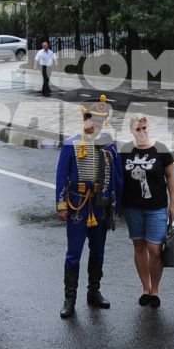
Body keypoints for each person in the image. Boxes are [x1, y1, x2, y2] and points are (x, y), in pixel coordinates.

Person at [55, 95, 122, 318]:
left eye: (101, 121)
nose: (97, 124)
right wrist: (61, 204)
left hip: (100, 203)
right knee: (74, 253)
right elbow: (61, 176)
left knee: (98, 251)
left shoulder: (109, 145)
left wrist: (116, 204)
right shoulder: (71, 143)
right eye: (93, 119)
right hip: (77, 204)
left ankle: (94, 292)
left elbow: (117, 176)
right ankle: (69, 298)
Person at [120, 115, 174, 309]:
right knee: (139, 247)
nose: (142, 132)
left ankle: (156, 290)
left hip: (157, 207)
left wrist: (173, 204)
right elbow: (119, 178)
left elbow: (170, 177)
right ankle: (145, 288)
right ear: (131, 130)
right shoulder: (125, 150)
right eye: (138, 129)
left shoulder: (160, 149)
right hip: (132, 207)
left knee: (155, 249)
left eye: (144, 128)